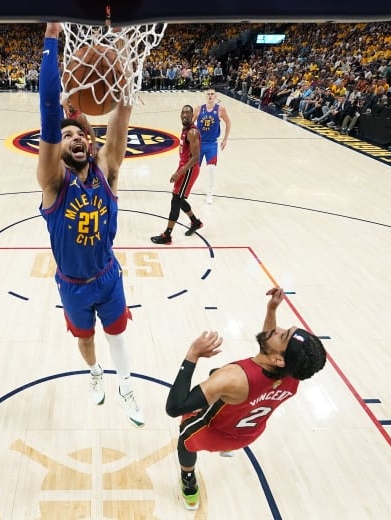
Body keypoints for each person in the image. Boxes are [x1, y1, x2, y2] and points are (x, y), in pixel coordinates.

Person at [36, 22, 144, 428]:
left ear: (89, 143)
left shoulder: (106, 169)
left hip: (107, 275)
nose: (73, 138)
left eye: (78, 134)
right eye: (64, 136)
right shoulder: (52, 183)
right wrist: (51, 39)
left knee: (118, 335)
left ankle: (127, 387)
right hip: (72, 284)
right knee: (85, 339)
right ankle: (95, 373)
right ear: (56, 146)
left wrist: (121, 48)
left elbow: (125, 106)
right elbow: (49, 112)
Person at [165, 287, 327, 510]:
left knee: (185, 437)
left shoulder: (233, 378)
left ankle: (189, 482)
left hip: (216, 434)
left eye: (282, 335)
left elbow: (174, 407)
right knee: (216, 374)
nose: (277, 329)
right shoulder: (294, 374)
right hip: (250, 433)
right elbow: (270, 349)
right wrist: (271, 310)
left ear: (279, 360)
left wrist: (192, 355)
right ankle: (227, 448)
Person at [150, 105, 204, 244]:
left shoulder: (192, 132)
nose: (185, 114)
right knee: (178, 197)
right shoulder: (185, 129)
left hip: (189, 169)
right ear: (180, 115)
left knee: (176, 200)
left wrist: (179, 173)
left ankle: (167, 235)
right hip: (184, 167)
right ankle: (195, 222)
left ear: (192, 115)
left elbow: (195, 157)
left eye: (188, 112)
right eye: (183, 112)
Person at [193, 88, 231, 204]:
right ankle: (187, 188)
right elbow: (190, 124)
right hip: (199, 144)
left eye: (212, 94)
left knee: (211, 169)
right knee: (193, 169)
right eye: (208, 94)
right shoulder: (199, 109)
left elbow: (228, 122)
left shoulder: (220, 109)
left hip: (211, 144)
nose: (210, 96)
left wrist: (225, 139)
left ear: (215, 96)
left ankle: (210, 193)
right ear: (206, 96)